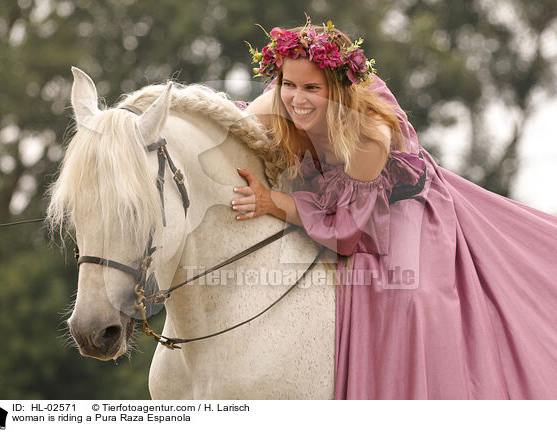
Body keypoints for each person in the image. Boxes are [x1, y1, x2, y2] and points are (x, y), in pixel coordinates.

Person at [230, 16, 557, 400]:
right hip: (338, 198)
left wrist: (275, 202)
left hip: (396, 206)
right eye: (289, 84)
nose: (297, 98)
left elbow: (347, 231)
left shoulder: (367, 137)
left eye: (311, 88)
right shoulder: (272, 105)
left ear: (337, 91)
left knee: (415, 297)